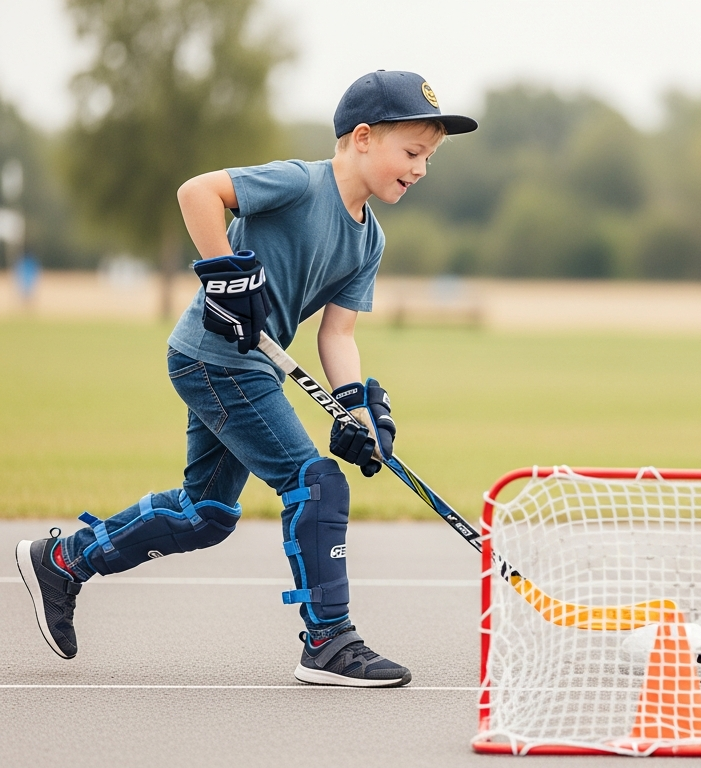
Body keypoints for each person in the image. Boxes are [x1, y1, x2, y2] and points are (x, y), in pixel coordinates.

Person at [14, 70, 477, 687]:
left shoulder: (369, 240)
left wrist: (354, 409)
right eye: (412, 152)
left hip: (245, 366)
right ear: (362, 138)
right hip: (215, 358)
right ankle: (329, 642)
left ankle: (64, 560)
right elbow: (196, 193)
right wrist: (224, 274)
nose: (420, 169)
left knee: (206, 513)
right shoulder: (298, 183)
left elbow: (337, 334)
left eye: (429, 159)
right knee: (314, 481)